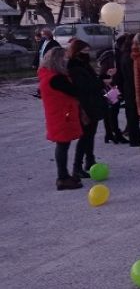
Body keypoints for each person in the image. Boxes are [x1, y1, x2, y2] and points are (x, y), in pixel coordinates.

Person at [38, 47, 83, 190]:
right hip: (62, 116)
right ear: (57, 60)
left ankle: (64, 175)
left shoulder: (48, 75)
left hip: (59, 114)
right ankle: (62, 177)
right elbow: (75, 91)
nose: (67, 60)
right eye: (64, 58)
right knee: (63, 146)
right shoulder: (56, 78)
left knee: (63, 145)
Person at [66, 40, 107, 178]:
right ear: (77, 52)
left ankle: (90, 160)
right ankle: (77, 166)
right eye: (84, 51)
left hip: (92, 104)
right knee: (85, 136)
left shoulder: (84, 65)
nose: (87, 53)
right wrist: (101, 82)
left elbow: (91, 82)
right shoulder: (75, 68)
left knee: (90, 135)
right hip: (85, 106)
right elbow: (85, 87)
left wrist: (101, 79)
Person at [114, 33, 140, 147]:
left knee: (133, 113)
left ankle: (135, 136)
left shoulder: (125, 55)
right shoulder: (128, 57)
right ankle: (134, 138)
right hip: (130, 87)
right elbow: (130, 74)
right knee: (132, 113)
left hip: (128, 87)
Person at [31, 28, 61, 98]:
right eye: (42, 34)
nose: (42, 36)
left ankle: (41, 92)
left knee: (45, 78)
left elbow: (58, 52)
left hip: (48, 64)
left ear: (48, 35)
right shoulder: (42, 42)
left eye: (44, 34)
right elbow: (38, 52)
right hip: (41, 62)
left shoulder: (54, 43)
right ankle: (41, 91)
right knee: (41, 77)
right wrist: (34, 63)